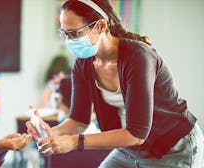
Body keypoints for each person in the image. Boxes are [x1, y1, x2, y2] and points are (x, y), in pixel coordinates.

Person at [26, 0, 204, 167]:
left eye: (74, 33)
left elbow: (137, 133)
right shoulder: (83, 64)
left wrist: (74, 142)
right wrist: (50, 132)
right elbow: (78, 120)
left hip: (173, 147)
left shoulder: (138, 57)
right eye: (65, 34)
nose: (69, 41)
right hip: (130, 148)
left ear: (101, 26)